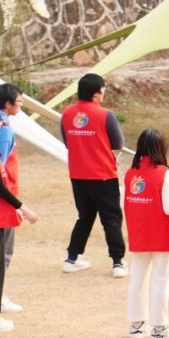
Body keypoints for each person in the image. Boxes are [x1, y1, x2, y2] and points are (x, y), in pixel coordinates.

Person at [60, 73, 127, 277]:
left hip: (78, 175)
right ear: (97, 92)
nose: (104, 92)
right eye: (103, 88)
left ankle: (71, 258)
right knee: (111, 219)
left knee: (84, 217)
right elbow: (118, 143)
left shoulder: (67, 114)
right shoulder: (105, 114)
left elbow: (67, 142)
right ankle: (118, 263)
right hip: (103, 175)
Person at [123, 129, 169, 338]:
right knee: (161, 280)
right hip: (161, 234)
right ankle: (159, 328)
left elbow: (124, 202)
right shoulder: (164, 173)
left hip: (138, 233)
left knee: (138, 278)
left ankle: (137, 325)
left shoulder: (130, 172)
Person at [0, 83, 39, 333]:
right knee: (3, 255)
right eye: (20, 101)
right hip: (4, 203)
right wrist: (20, 206)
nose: (22, 105)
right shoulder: (4, 131)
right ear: (8, 104)